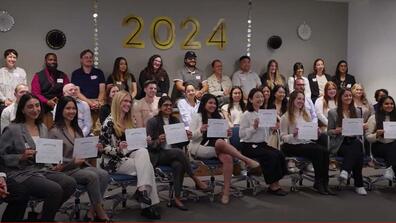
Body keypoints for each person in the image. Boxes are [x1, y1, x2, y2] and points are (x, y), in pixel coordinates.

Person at [0, 93, 77, 221]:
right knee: (55, 190)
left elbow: (46, 152)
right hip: (21, 172)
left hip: (41, 169)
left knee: (70, 183)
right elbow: (1, 157)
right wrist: (21, 157)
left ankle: (44, 216)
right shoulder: (12, 129)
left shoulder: (42, 127)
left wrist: (53, 164)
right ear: (22, 110)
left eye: (37, 106)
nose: (35, 109)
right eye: (30, 107)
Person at [188, 93, 260, 204]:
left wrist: (228, 133)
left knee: (228, 158)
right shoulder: (197, 116)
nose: (213, 106)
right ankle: (245, 159)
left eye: (214, 103)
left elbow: (224, 135)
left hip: (218, 146)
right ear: (204, 104)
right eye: (210, 103)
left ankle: (226, 192)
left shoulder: (219, 117)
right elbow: (191, 136)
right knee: (220, 142)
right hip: (201, 146)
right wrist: (200, 130)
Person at [99, 90, 160, 219]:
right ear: (117, 102)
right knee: (147, 167)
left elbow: (134, 143)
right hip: (113, 161)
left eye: (129, 101)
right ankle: (149, 205)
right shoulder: (108, 122)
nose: (128, 104)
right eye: (125, 101)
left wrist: (145, 141)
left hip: (127, 155)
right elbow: (102, 148)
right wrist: (118, 149)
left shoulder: (129, 120)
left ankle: (142, 191)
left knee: (143, 151)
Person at [49, 96, 110, 221]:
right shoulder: (54, 132)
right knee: (92, 176)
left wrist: (94, 148)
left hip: (80, 166)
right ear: (61, 110)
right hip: (66, 169)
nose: (72, 111)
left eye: (73, 108)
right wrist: (72, 163)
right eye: (68, 108)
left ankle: (92, 211)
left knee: (104, 174)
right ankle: (100, 212)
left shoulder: (77, 129)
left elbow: (82, 151)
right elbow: (53, 161)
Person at [146, 96, 208, 211]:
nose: (168, 107)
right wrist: (158, 140)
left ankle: (177, 198)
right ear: (160, 107)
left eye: (170, 105)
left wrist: (187, 136)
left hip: (173, 154)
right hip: (158, 154)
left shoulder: (175, 120)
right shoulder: (152, 121)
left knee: (178, 165)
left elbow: (181, 142)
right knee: (179, 152)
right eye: (165, 105)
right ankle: (195, 178)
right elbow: (149, 145)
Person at [280, 91, 335, 195]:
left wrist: (316, 133)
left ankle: (325, 182)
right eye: (298, 99)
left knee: (325, 151)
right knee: (317, 151)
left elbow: (310, 134)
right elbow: (282, 137)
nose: (301, 101)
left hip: (305, 143)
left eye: (303, 99)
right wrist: (294, 135)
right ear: (292, 100)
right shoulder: (285, 117)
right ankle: (318, 183)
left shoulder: (306, 114)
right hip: (291, 145)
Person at [239, 88, 288, 196]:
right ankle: (273, 185)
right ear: (251, 100)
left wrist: (272, 128)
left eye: (261, 96)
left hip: (261, 144)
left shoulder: (265, 114)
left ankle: (276, 182)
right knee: (271, 156)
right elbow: (241, 135)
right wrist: (254, 127)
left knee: (279, 153)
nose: (260, 99)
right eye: (257, 97)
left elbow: (266, 134)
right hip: (248, 145)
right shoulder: (246, 115)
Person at [328, 88, 367, 195]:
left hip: (354, 140)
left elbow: (360, 132)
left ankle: (345, 170)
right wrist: (336, 131)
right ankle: (359, 185)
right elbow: (328, 132)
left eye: (350, 96)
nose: (348, 98)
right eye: (346, 96)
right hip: (340, 143)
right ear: (340, 98)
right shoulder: (333, 112)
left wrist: (363, 128)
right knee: (357, 152)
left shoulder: (358, 111)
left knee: (357, 144)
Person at [31, 53, 70, 128]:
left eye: (55, 60)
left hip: (60, 104)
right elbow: (35, 93)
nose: (53, 62)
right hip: (43, 105)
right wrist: (47, 101)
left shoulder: (63, 75)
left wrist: (60, 100)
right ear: (45, 61)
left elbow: (67, 90)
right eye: (50, 60)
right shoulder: (38, 75)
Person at [71, 49, 106, 133]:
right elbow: (77, 92)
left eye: (90, 57)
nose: (88, 59)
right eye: (86, 57)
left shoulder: (99, 72)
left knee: (105, 108)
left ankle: (101, 134)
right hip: (83, 101)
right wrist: (90, 103)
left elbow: (102, 91)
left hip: (98, 101)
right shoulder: (76, 73)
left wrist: (98, 101)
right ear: (81, 60)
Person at [366, 96, 396, 180]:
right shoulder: (373, 118)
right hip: (379, 146)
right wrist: (376, 135)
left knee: (393, 146)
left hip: (393, 145)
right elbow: (368, 137)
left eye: (391, 104)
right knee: (392, 147)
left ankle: (390, 169)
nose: (389, 105)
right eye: (386, 104)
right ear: (381, 105)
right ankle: (391, 169)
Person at [0, 49, 27, 113]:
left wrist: (16, 101)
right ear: (5, 58)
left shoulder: (21, 72)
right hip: (3, 105)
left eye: (14, 57)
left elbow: (24, 89)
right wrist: (4, 100)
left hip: (18, 104)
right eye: (10, 57)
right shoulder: (0, 72)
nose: (12, 59)